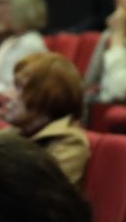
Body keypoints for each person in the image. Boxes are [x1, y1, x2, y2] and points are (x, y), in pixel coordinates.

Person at [5, 52, 90, 185]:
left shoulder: (70, 142)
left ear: (46, 96)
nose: (8, 95)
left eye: (19, 87)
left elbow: (40, 192)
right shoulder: (9, 134)